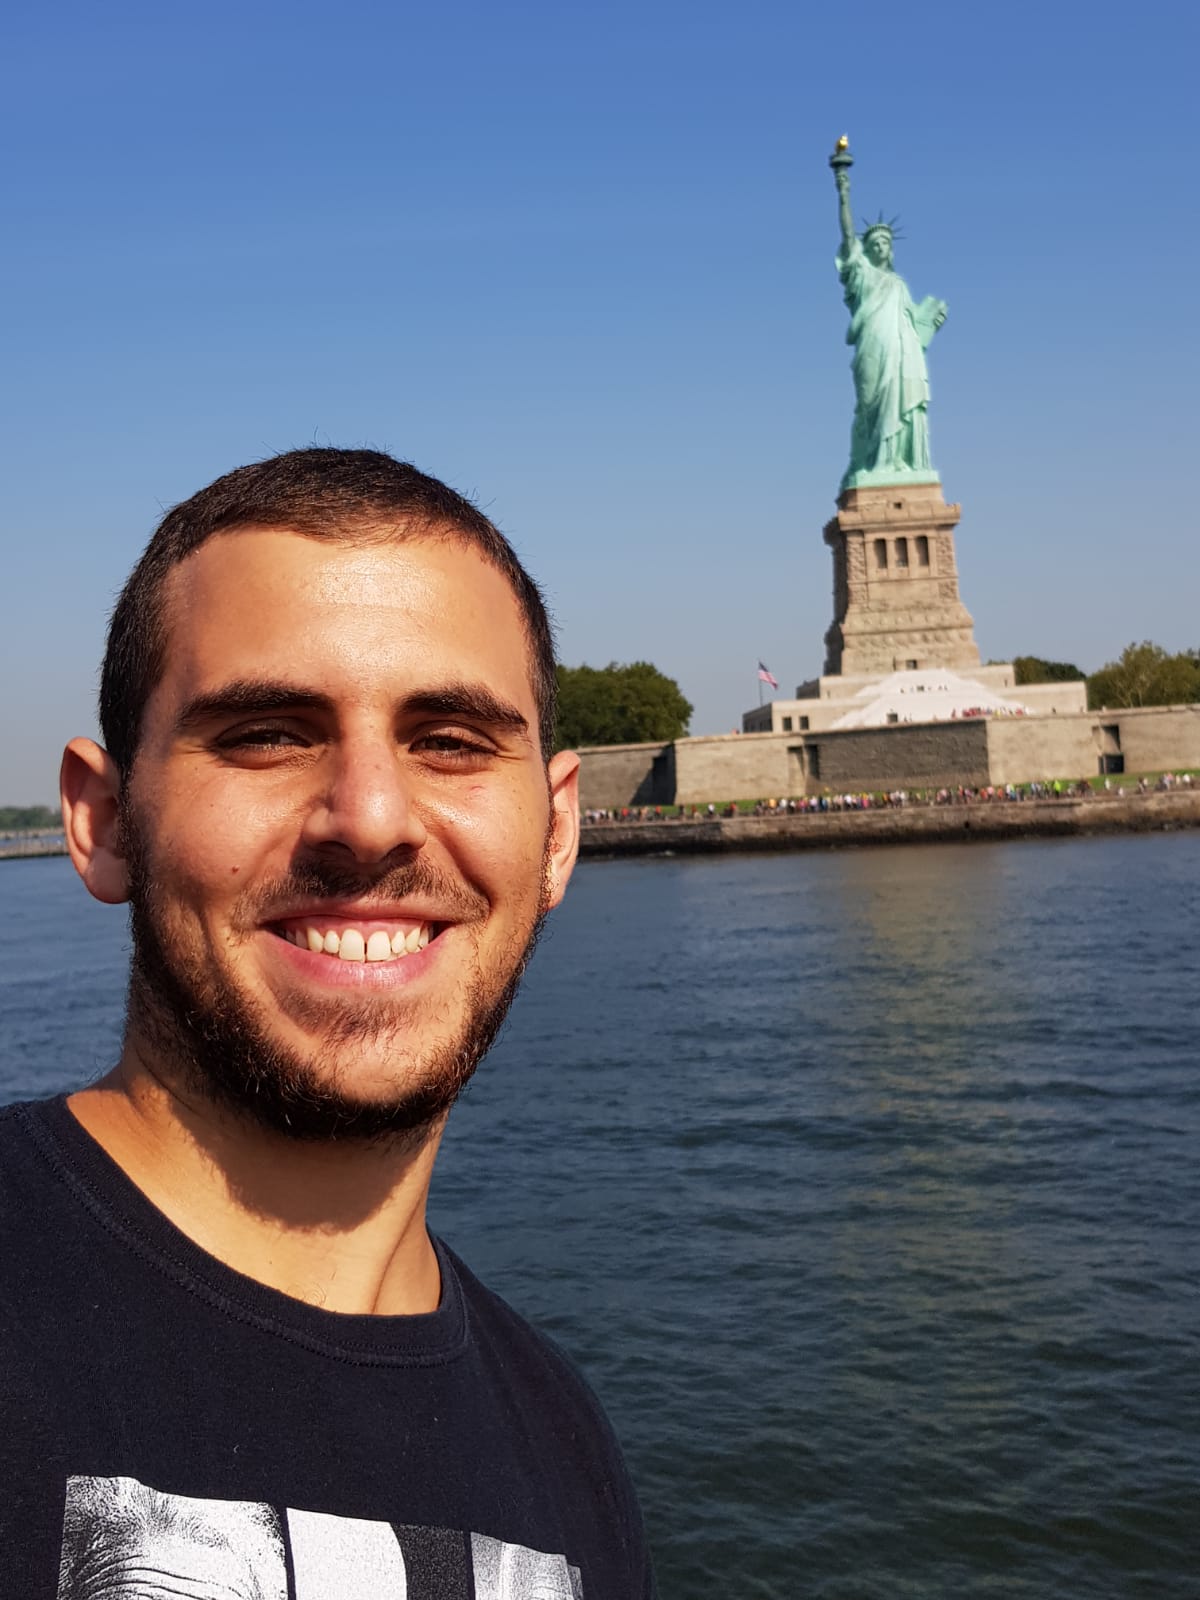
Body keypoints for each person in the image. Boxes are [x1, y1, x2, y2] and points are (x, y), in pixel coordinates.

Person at [1, 448, 656, 1597]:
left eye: (450, 740)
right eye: (266, 733)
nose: (371, 817)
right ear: (103, 821)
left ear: (557, 835)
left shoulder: (570, 1451)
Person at [832, 154, 947, 488]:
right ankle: (875, 462)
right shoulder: (862, 274)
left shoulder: (899, 285)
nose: (881, 246)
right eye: (874, 243)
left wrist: (932, 321)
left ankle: (899, 462)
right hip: (873, 345)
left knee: (901, 399)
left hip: (902, 351)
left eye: (886, 242)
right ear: (866, 250)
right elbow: (848, 235)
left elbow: (915, 328)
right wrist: (843, 193)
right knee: (871, 403)